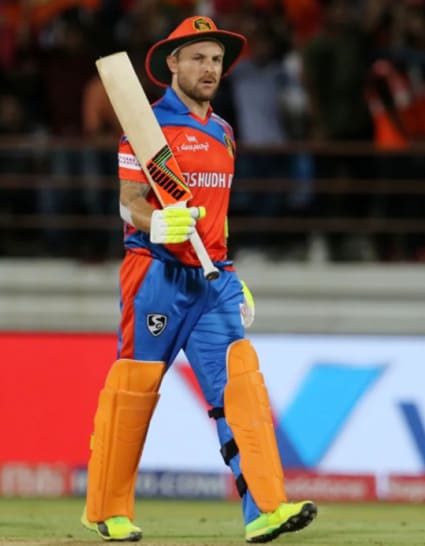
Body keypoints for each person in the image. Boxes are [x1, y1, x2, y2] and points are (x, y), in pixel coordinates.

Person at [79, 16, 317, 543]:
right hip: (155, 276)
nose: (209, 69)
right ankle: (106, 510)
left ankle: (265, 510)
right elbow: (129, 203)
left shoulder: (225, 132)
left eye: (216, 60)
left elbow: (218, 216)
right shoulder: (147, 127)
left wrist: (230, 270)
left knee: (242, 388)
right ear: (173, 63)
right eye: (198, 58)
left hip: (213, 282)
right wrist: (155, 223)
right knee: (134, 391)